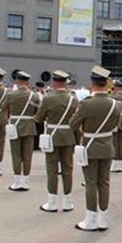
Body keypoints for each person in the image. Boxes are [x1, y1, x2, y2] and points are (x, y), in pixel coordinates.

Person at [70, 66, 122, 231]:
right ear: (106, 83)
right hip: (107, 145)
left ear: (92, 83)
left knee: (91, 183)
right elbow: (116, 124)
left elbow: (73, 124)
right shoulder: (116, 104)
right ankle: (103, 218)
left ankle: (91, 219)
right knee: (105, 182)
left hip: (90, 146)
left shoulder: (86, 104)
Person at [34, 70, 79, 213]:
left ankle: (52, 202)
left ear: (54, 82)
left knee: (52, 169)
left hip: (52, 136)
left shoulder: (48, 98)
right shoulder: (74, 99)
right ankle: (68, 202)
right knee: (68, 169)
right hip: (68, 136)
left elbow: (39, 118)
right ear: (66, 83)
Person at [5, 71, 40, 191]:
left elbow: (3, 108)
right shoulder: (34, 96)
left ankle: (17, 181)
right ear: (28, 82)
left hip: (15, 125)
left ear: (17, 81)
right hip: (29, 126)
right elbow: (38, 111)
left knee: (16, 154)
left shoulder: (11, 95)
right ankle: (26, 181)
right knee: (27, 155)